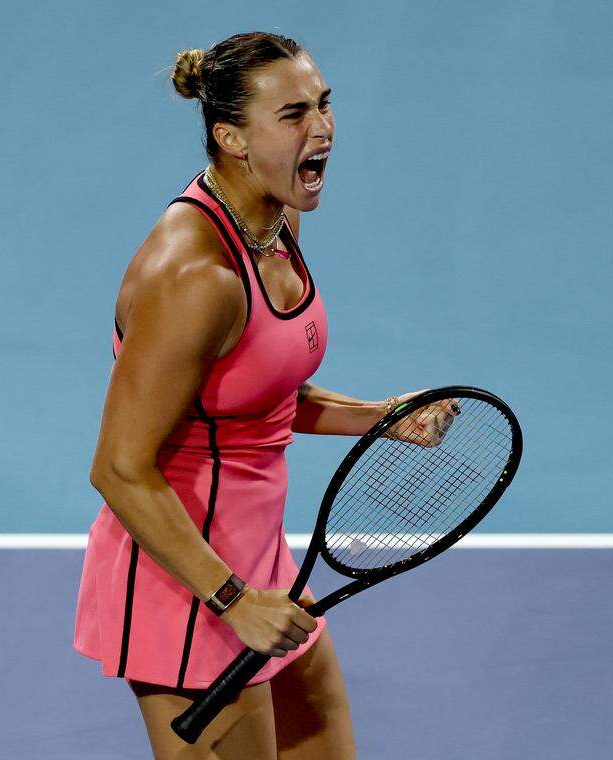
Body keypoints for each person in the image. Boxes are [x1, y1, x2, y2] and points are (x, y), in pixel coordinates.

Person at [73, 31, 424, 758]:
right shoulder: (196, 278)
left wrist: (383, 419)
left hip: (264, 567)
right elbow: (117, 468)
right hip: (189, 582)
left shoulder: (273, 221)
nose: (322, 127)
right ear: (231, 136)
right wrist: (232, 600)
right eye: (294, 114)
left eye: (324, 104)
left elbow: (258, 392)